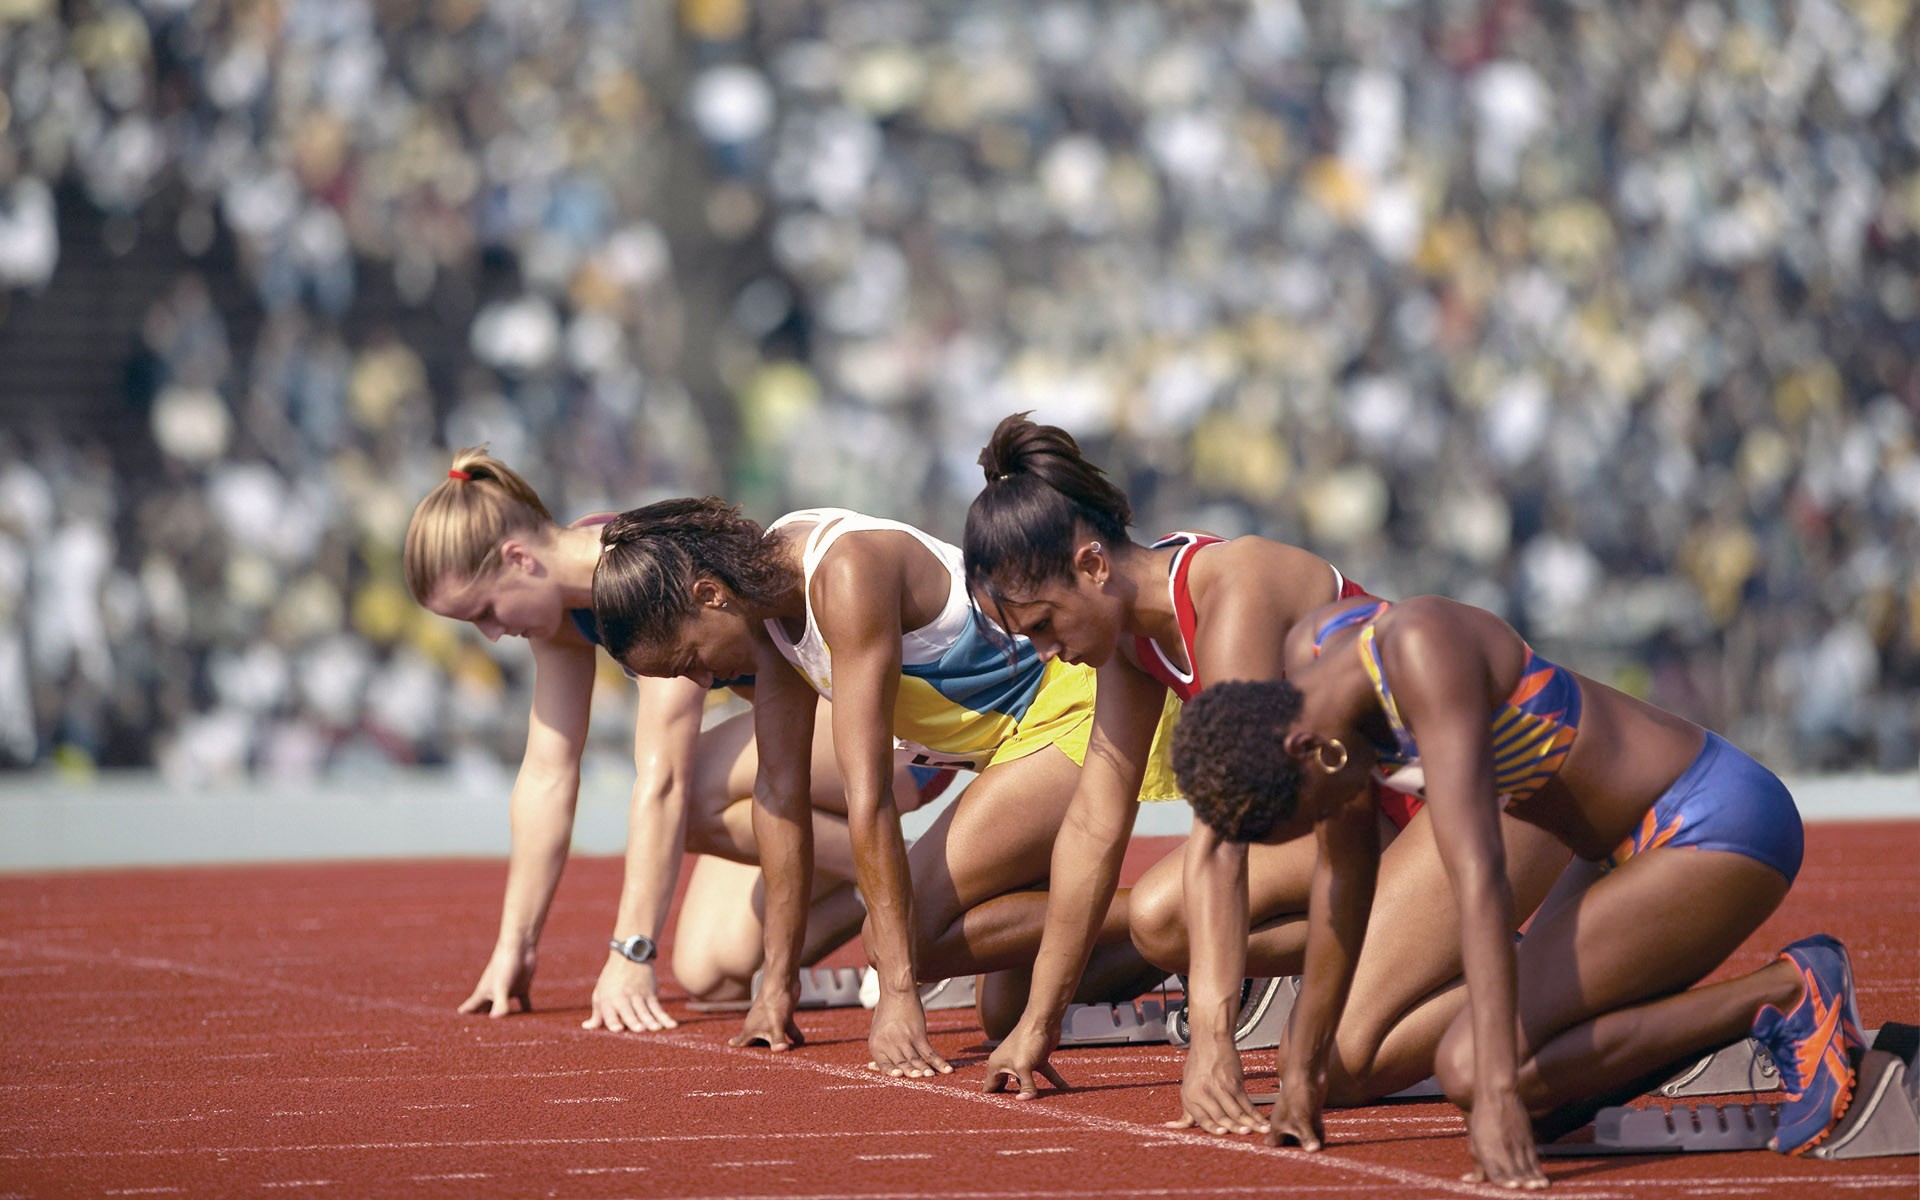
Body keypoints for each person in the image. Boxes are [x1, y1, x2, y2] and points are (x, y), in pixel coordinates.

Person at [960, 413, 1570, 1130]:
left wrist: (1212, 1039)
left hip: (1499, 792)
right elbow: (1094, 824)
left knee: (1334, 1064)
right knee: (1160, 920)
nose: (1044, 651)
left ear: (1094, 566)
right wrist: (1038, 1022)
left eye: (1042, 625)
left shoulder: (1233, 592)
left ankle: (1589, 984)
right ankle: (1435, 955)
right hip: (1380, 819)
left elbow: (1227, 836)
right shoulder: (1127, 638)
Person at [1170, 593, 1863, 1186]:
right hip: (1613, 855)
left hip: (1710, 823)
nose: (1326, 822)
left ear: (1306, 750)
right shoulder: (1312, 676)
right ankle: (1683, 1021)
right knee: (1541, 1100)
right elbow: (1343, 883)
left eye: (1310, 812)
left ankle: (1784, 993)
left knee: (1479, 1072)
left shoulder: (1420, 653)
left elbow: (1480, 881)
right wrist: (1303, 1078)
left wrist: (1497, 1091)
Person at [590, 499, 1183, 1078]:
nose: (700, 679)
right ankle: (1192, 932)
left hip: (1075, 704)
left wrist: (900, 991)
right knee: (1003, 1011)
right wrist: (777, 983)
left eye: (689, 658)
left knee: (905, 941)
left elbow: (868, 795)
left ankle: (1202, 907)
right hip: (1011, 749)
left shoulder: (843, 574)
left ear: (708, 595)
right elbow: (779, 791)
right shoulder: (764, 600)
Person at [404, 447, 935, 1029]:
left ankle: (916, 895)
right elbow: (547, 772)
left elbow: (664, 779)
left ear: (519, 559)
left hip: (892, 733)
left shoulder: (645, 575)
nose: (491, 633)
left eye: (484, 611)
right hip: (801, 743)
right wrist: (516, 943)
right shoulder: (561, 613)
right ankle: (909, 890)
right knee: (713, 970)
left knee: (693, 789)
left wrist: (631, 950)